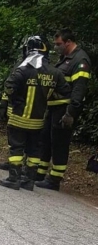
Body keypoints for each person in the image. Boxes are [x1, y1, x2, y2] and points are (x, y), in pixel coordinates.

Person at [0, 35, 71, 191]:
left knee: (16, 148)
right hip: (39, 120)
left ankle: (14, 178)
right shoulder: (55, 72)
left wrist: (12, 102)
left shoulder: (23, 70)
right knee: (34, 150)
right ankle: (29, 181)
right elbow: (65, 92)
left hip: (19, 117)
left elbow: (9, 86)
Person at [35, 29, 92, 191]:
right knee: (46, 139)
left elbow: (79, 90)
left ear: (68, 42)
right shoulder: (65, 58)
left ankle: (54, 179)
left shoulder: (80, 60)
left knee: (59, 143)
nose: (56, 47)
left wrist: (71, 113)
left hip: (64, 109)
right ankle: (39, 172)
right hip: (54, 107)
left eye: (58, 44)